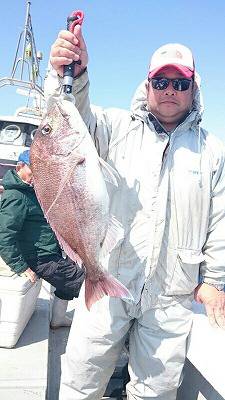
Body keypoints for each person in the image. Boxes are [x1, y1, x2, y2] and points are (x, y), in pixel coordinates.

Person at [45, 24, 225, 400]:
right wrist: (73, 74)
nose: (170, 90)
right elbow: (71, 119)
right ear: (147, 87)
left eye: (180, 82)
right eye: (161, 82)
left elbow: (220, 221)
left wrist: (214, 281)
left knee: (156, 392)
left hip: (172, 295)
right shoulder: (113, 127)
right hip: (108, 275)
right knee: (81, 381)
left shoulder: (213, 152)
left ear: (195, 89)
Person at [0, 149, 85, 329]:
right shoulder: (16, 197)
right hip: (38, 258)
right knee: (82, 280)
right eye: (33, 172)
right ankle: (97, 327)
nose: (36, 177)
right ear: (20, 167)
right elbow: (4, 236)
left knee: (74, 265)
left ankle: (58, 318)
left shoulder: (31, 191)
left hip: (48, 251)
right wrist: (21, 266)